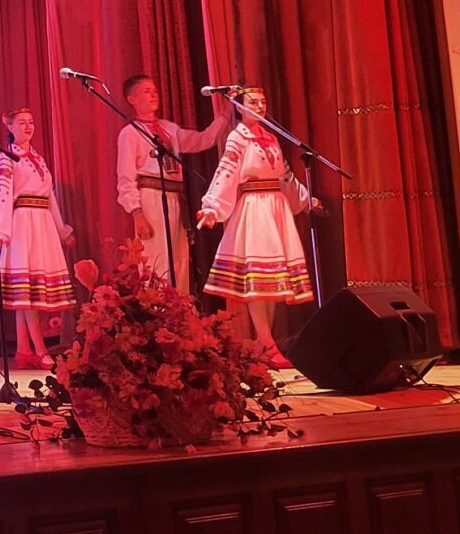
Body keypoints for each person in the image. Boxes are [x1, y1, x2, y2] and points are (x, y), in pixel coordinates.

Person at [196, 86, 324, 367]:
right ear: (240, 107)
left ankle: (265, 342)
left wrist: (305, 199)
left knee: (272, 281)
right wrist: (212, 207)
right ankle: (266, 342)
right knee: (258, 280)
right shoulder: (237, 137)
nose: (260, 106)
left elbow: (284, 174)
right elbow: (226, 171)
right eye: (253, 102)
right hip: (255, 207)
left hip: (275, 206)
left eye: (263, 102)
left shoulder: (271, 137)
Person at [114, 74, 232, 290]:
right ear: (132, 99)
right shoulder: (130, 133)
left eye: (154, 91)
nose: (153, 95)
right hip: (151, 198)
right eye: (146, 91)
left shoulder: (169, 129)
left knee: (179, 259)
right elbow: (125, 178)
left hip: (175, 197)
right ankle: (156, 307)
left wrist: (225, 115)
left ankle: (180, 306)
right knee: (156, 258)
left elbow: (203, 140)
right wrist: (137, 212)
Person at [0, 109, 76, 368]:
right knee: (27, 290)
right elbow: (4, 193)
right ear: (10, 126)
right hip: (22, 223)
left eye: (31, 122)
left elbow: (50, 196)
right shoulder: (7, 156)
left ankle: (23, 349)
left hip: (42, 223)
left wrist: (62, 230)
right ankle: (39, 349)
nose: (28, 127)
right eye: (21, 123)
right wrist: (1, 230)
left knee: (27, 293)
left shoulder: (38, 158)